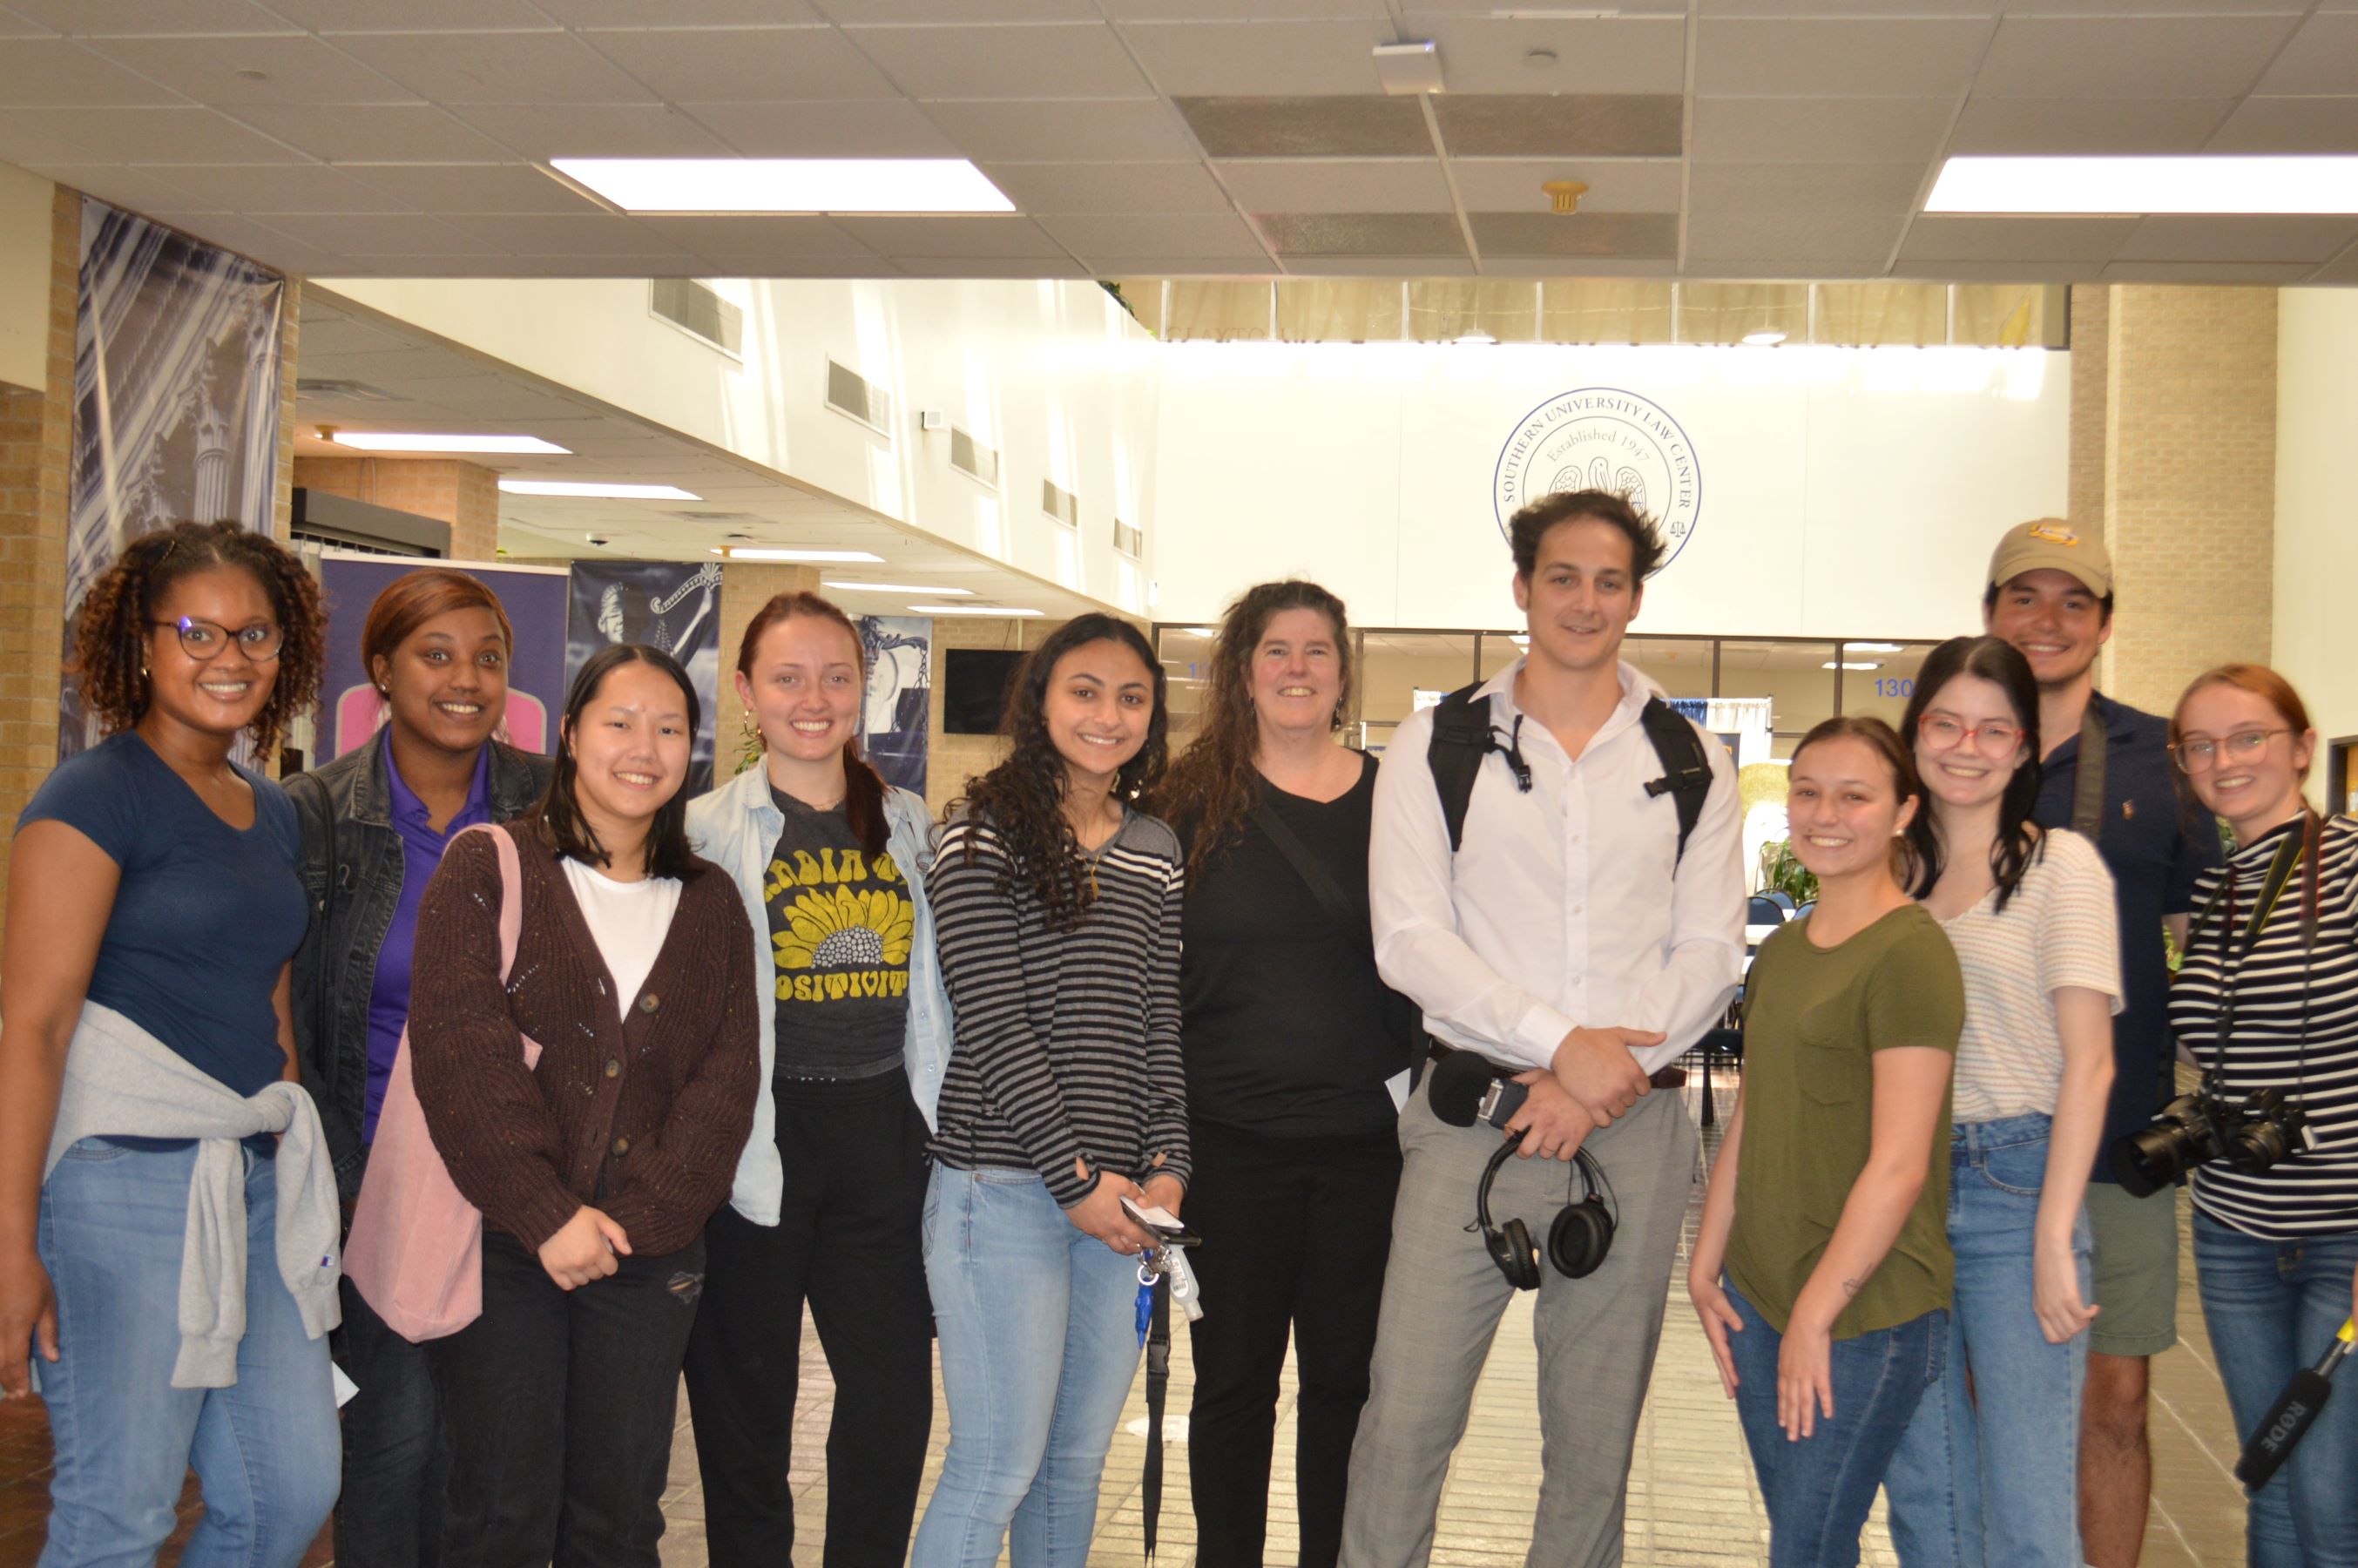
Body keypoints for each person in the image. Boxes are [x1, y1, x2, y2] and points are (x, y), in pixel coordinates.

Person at [1346, 489, 1743, 1568]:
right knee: (1404, 1423)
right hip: (1470, 1124)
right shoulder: (1437, 744)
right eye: (1562, 577)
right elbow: (1409, 940)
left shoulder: (1692, 760)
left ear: (1635, 599)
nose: (1584, 601)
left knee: (1593, 1446)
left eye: (1609, 582)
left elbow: (1711, 952)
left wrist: (1596, 1078)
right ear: (1521, 588)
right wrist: (1560, 1046)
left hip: (1633, 1132)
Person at [0, 520, 341, 1566]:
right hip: (119, 1188)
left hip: (248, 1182)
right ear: (141, 645)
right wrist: (10, 1245)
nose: (228, 658)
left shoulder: (270, 809)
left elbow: (268, 1004)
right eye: (197, 632)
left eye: (255, 634)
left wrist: (281, 1153)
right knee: (120, 1517)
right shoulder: (92, 796)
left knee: (287, 1495)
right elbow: (32, 1026)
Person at [405, 643, 759, 1568]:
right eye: (619, 722)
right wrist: (546, 1213)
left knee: (620, 1520)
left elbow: (727, 1081)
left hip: (649, 1256)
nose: (644, 748)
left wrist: (636, 1223)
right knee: (499, 1512)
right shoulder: (487, 867)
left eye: (669, 728)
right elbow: (461, 1057)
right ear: (568, 734)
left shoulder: (711, 902)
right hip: (505, 1246)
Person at [1152, 580, 1420, 1568]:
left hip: (1369, 1154)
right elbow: (1147, 981)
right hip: (1227, 1153)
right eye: (1276, 650)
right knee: (1231, 1390)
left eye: (1317, 651)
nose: (1297, 668)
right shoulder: (1185, 807)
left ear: (1344, 673)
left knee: (1346, 1390)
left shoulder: (1400, 803)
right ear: (1242, 672)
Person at [911, 614, 1188, 1568]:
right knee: (995, 1464)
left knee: (1071, 1470)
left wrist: (1169, 1168)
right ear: (1041, 703)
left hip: (1122, 1208)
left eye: (1131, 697)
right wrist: (1076, 1182)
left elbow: (1158, 1019)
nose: (1108, 715)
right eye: (1084, 691)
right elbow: (994, 1027)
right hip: (1002, 1191)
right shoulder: (977, 836)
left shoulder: (1154, 846)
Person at [680, 591, 951, 1568]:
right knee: (744, 1405)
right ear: (747, 691)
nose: (815, 698)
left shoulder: (910, 824)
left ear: (862, 690)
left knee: (890, 1402)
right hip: (753, 1133)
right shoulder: (701, 831)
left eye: (837, 677)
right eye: (788, 678)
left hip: (883, 1135)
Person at [287, 567, 551, 1568]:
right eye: (436, 656)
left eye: (488, 658)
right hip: (377, 1184)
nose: (466, 680)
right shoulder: (314, 817)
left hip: (519, 1189)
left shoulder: (551, 804)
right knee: (393, 1447)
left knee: (495, 1460)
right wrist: (343, 1185)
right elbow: (292, 1023)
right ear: (381, 671)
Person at [1980, 519, 2219, 1567]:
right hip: (1974, 1129)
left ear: (2105, 624)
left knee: (2114, 1398)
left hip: (2119, 1137)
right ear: (1989, 614)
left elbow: (2202, 944)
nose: (2048, 620)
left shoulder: (2160, 760)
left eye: (2073, 602)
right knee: (1980, 1388)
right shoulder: (1954, 744)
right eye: (2024, 598)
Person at [1689, 715, 1963, 1568]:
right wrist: (1705, 1260)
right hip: (1759, 1296)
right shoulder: (1781, 951)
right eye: (1807, 792)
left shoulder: (1911, 954)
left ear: (1903, 811)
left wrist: (1815, 1315)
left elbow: (1900, 1164)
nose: (1825, 814)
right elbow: (1753, 1115)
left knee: (1806, 1548)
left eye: (1854, 796)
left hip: (1860, 1312)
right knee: (1806, 1542)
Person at [1882, 635, 2120, 1568]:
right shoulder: (1884, 875)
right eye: (1945, 724)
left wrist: (2054, 1237)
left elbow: (2089, 1065)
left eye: (1993, 730)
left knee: (2026, 1507)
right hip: (1897, 1191)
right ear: (1915, 734)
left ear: (2024, 748)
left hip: (2014, 1185)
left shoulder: (2061, 866)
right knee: (1926, 1494)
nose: (1966, 748)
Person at [2165, 664, 2358, 1567]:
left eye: (2248, 737)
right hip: (2234, 1227)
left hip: (2342, 1232)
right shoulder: (2219, 889)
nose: (2223, 761)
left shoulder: (2349, 864)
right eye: (2199, 746)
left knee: (2328, 1498)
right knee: (2269, 1479)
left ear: (2303, 748)